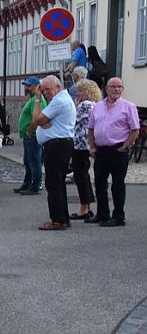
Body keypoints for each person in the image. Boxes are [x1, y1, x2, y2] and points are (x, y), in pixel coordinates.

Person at [87, 77, 140, 227]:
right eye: (113, 86)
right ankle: (102, 214)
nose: (117, 89)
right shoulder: (98, 106)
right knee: (99, 183)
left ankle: (118, 216)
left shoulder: (128, 106)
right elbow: (90, 128)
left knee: (117, 184)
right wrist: (92, 146)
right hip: (101, 150)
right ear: (107, 89)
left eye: (119, 87)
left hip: (118, 150)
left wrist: (125, 146)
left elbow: (135, 130)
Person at [29, 76, 76, 230]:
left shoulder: (59, 101)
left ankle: (58, 220)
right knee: (58, 182)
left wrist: (37, 99)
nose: (45, 93)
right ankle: (63, 217)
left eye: (47, 90)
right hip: (59, 144)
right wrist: (42, 121)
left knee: (54, 183)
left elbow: (36, 119)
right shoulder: (60, 99)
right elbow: (40, 120)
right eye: (42, 91)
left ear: (58, 86)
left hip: (57, 145)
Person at [70, 79, 101, 220]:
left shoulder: (85, 105)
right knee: (83, 175)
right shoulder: (95, 104)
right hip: (84, 144)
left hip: (80, 144)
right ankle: (87, 206)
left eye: (81, 91)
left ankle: (84, 207)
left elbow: (72, 120)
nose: (78, 93)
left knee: (80, 176)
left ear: (88, 92)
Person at [15, 77, 46, 195]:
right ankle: (27, 183)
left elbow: (36, 118)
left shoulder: (37, 100)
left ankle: (35, 185)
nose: (26, 88)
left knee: (34, 161)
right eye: (26, 85)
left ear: (37, 87)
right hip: (28, 135)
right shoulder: (32, 99)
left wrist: (29, 131)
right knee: (28, 161)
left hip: (32, 135)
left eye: (29, 86)